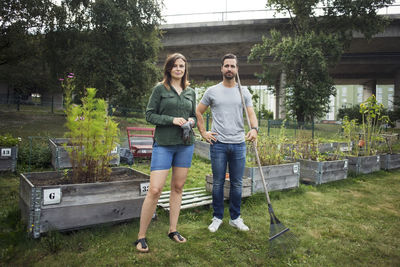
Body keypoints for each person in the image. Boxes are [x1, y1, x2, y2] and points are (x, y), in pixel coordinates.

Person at [134, 53, 196, 252]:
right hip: (164, 144)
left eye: (182, 66)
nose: (179, 69)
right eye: (175, 66)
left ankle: (173, 229)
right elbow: (149, 115)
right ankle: (141, 236)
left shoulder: (190, 91)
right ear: (169, 68)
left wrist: (191, 121)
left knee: (178, 187)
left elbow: (194, 114)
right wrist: (171, 120)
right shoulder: (160, 89)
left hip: (185, 145)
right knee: (155, 190)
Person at [196, 53, 258, 233]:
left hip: (239, 144)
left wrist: (254, 129)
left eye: (233, 66)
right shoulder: (212, 91)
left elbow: (251, 113)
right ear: (221, 68)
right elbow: (198, 112)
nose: (229, 69)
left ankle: (235, 218)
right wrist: (203, 132)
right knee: (217, 183)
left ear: (237, 69)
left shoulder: (243, 91)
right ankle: (217, 217)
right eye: (226, 66)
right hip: (219, 144)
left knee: (237, 183)